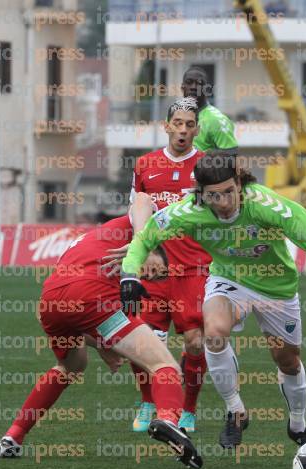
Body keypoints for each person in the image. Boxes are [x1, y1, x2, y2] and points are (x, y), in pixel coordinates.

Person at [119, 151, 306, 449]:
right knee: (212, 333)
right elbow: (145, 238)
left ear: (239, 183)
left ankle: (298, 424)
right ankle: (236, 411)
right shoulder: (187, 210)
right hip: (229, 280)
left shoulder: (267, 206)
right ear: (200, 195)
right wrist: (129, 274)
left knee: (288, 361)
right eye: (214, 196)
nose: (224, 202)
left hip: (277, 288)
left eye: (229, 192)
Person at [0, 198, 202, 469]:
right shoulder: (139, 231)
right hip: (89, 296)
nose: (150, 274)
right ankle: (168, 420)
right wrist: (142, 243)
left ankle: (13, 436)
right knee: (164, 365)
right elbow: (142, 199)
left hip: (52, 300)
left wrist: (103, 344)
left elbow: (80, 308)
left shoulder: (93, 241)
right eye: (157, 270)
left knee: (71, 366)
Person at [102, 98, 211, 433]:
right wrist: (140, 246)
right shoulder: (145, 164)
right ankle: (149, 401)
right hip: (152, 268)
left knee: (195, 341)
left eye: (189, 124)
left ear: (196, 129)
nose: (183, 129)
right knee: (144, 340)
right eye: (177, 123)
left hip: (193, 267)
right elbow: (138, 207)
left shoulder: (207, 165)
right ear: (166, 126)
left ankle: (188, 408)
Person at [181, 67, 238, 152]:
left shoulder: (217, 120)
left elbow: (231, 156)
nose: (193, 87)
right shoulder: (174, 116)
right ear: (182, 88)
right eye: (189, 82)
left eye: (199, 83)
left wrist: (199, 161)